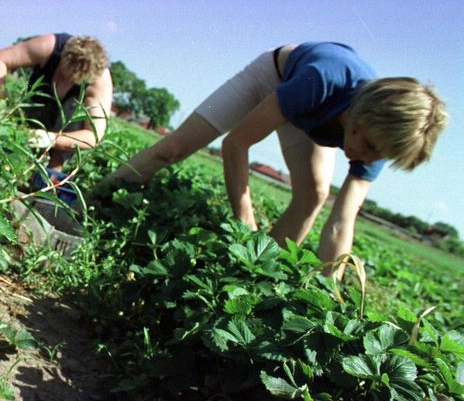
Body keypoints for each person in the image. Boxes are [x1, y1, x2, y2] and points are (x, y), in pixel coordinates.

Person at [103, 42, 448, 274]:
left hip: (312, 112)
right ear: (362, 118)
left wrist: (331, 284)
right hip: (274, 78)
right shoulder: (323, 80)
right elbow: (236, 144)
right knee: (173, 148)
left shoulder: (380, 137)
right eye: (370, 146)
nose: (368, 158)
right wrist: (245, 222)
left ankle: (258, 272)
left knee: (313, 195)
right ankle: (96, 201)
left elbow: (342, 222)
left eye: (381, 155)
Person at [0, 33, 113, 171]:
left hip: (65, 128)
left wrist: (51, 139)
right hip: (35, 104)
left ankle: (48, 174)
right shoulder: (50, 46)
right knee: (11, 148)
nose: (67, 81)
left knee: (76, 117)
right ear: (63, 56)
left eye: (75, 80)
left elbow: (92, 136)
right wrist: (0, 106)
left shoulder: (100, 81)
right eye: (66, 75)